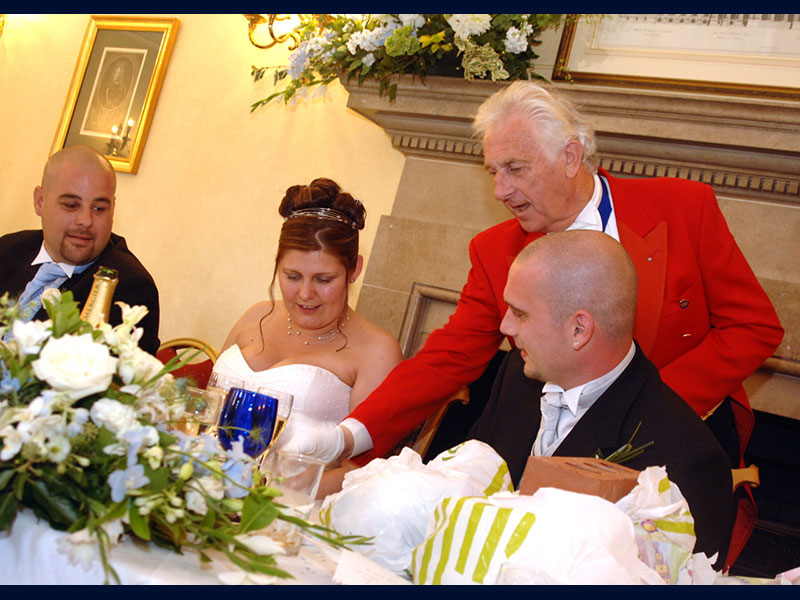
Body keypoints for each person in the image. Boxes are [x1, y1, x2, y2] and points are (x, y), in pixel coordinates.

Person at [279, 82, 784, 566]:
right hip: (553, 460)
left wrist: (641, 404)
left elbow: (754, 327)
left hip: (675, 446)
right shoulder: (496, 249)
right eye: (493, 171)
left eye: (515, 169)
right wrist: (349, 435)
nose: (500, 189)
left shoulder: (682, 208)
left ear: (570, 156)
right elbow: (447, 356)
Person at [468, 230, 735, 564]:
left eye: (519, 313)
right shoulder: (516, 374)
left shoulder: (688, 461)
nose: (506, 326)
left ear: (579, 330)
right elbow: (466, 486)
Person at [212, 178, 403, 492]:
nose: (305, 293)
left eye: (323, 279)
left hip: (290, 505)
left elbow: (361, 469)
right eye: (292, 276)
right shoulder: (255, 314)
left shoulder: (376, 350)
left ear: (354, 269)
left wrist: (275, 494)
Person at [0, 145, 160, 354]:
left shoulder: (130, 289)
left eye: (98, 209)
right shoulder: (8, 249)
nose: (85, 221)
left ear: (112, 209)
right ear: (40, 201)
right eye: (71, 205)